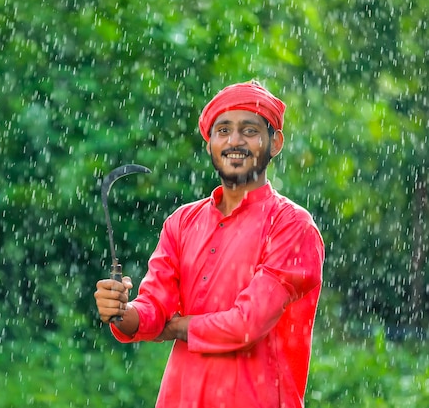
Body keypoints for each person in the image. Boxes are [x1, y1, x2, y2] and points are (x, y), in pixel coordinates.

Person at [94, 80, 325, 408]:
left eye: (249, 130)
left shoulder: (292, 226)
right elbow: (153, 307)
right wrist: (121, 312)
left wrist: (174, 327)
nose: (235, 141)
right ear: (210, 144)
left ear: (275, 143)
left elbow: (248, 324)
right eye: (223, 130)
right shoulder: (181, 222)